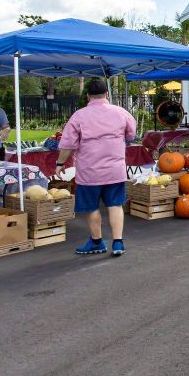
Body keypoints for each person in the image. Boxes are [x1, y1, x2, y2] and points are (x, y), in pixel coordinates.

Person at [55, 79, 136, 257]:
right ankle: (118, 243)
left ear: (88, 96)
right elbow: (131, 134)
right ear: (107, 94)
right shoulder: (121, 112)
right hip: (115, 170)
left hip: (89, 172)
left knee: (92, 207)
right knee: (115, 205)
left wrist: (60, 164)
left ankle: (97, 242)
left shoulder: (79, 116)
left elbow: (67, 144)